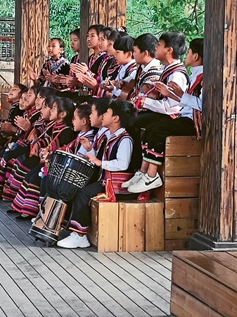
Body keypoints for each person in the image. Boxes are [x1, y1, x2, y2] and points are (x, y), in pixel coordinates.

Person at [126, 38, 204, 193]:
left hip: (193, 122)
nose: (186, 55)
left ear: (195, 57)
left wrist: (174, 95)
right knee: (150, 128)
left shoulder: (196, 77)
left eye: (189, 52)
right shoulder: (194, 75)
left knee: (157, 130)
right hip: (185, 116)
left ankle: (152, 175)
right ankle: (143, 172)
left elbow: (200, 105)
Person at [57, 100, 136, 249]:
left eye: (107, 112)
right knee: (78, 187)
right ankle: (72, 228)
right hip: (107, 180)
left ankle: (79, 235)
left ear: (116, 118)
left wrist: (101, 162)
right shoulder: (111, 137)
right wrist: (89, 150)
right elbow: (100, 160)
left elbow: (123, 164)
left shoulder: (125, 139)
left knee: (84, 193)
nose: (104, 114)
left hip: (116, 185)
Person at [10, 96, 76, 219]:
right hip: (46, 161)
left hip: (56, 166)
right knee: (29, 175)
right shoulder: (55, 127)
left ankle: (30, 211)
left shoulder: (66, 131)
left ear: (62, 115)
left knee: (35, 178)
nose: (51, 111)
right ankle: (22, 207)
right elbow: (48, 141)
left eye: (54, 109)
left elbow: (63, 151)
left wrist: (47, 154)